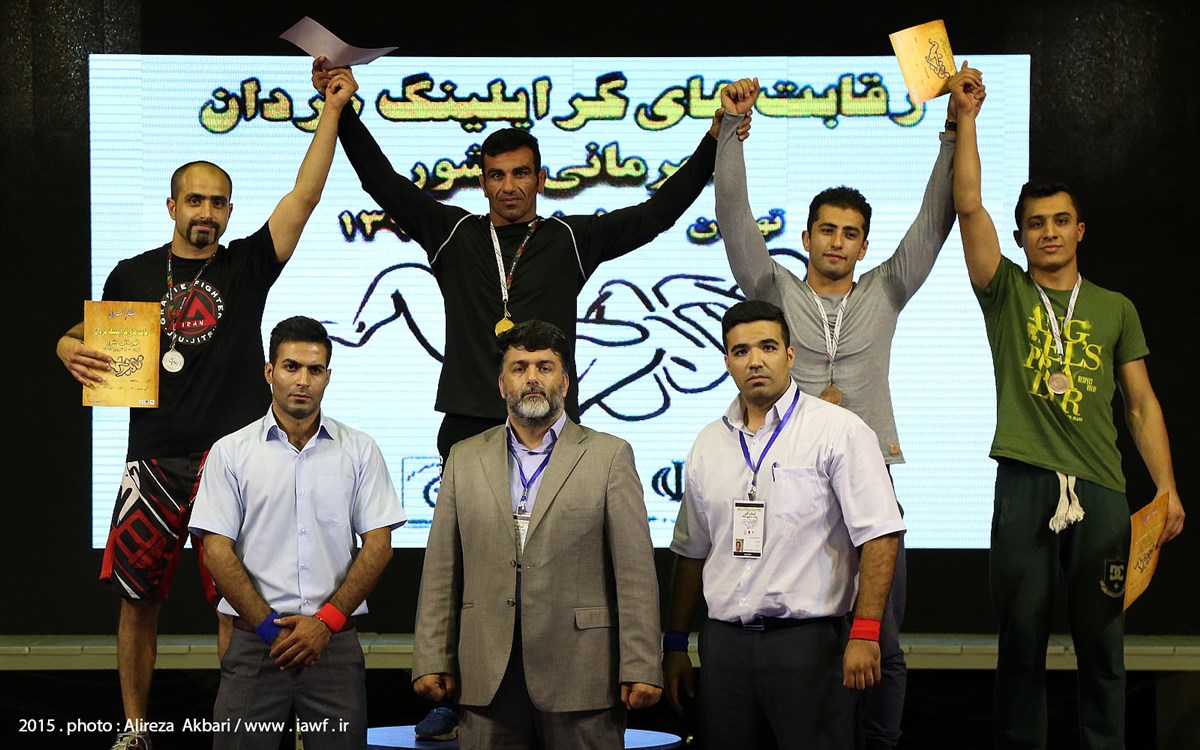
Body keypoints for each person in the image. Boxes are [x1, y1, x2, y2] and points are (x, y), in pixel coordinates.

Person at [54, 71, 359, 750]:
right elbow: (91, 340)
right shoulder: (132, 273)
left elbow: (304, 196)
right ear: (172, 205)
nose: (208, 212)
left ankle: (242, 725)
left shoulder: (246, 265)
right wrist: (65, 344)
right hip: (154, 460)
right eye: (195, 199)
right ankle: (135, 730)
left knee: (237, 603)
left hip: (234, 461)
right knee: (138, 600)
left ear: (228, 210)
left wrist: (332, 112)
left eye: (219, 202)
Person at [710, 68, 983, 748]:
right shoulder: (771, 286)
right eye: (826, 230)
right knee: (807, 633)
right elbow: (733, 221)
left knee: (881, 637)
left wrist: (954, 130)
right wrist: (732, 130)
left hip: (868, 476)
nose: (837, 241)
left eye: (850, 233)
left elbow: (936, 219)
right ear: (805, 238)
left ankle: (879, 745)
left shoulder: (887, 288)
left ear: (864, 244)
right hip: (787, 474)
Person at [310, 58, 751, 461]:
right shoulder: (453, 233)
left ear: (540, 179)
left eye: (520, 173)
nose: (509, 187)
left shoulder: (570, 238)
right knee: (471, 528)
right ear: (482, 183)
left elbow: (656, 214)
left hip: (551, 419)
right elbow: (381, 182)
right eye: (497, 175)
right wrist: (340, 110)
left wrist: (714, 139)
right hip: (470, 422)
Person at [951, 74, 1184, 749]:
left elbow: (1141, 404)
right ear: (1020, 236)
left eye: (1059, 221)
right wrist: (966, 118)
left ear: (1079, 230)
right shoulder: (1005, 291)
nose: (1048, 232)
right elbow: (968, 206)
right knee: (1020, 643)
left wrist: (1166, 487)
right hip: (1024, 482)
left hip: (1103, 489)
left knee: (1104, 646)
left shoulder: (1115, 307)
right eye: (1035, 223)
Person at [662, 299, 905, 750]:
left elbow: (880, 535)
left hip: (807, 645)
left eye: (767, 347)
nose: (755, 360)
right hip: (725, 648)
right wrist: (675, 643)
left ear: (789, 355)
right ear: (727, 362)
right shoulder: (708, 442)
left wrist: (866, 631)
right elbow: (692, 552)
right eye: (741, 351)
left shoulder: (838, 430)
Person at [412, 319, 662, 749]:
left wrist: (641, 664)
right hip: (485, 675)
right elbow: (440, 570)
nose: (532, 378)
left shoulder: (609, 456)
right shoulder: (463, 458)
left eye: (545, 367)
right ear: (501, 384)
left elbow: (635, 573)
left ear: (564, 382)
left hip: (583, 676)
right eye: (519, 368)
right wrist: (431, 657)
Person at [189, 316, 406, 750]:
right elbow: (215, 551)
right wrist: (269, 629)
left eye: (314, 369)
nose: (303, 380)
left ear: (328, 376)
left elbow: (379, 546)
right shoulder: (231, 452)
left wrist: (325, 623)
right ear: (269, 372)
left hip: (333, 645)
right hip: (255, 645)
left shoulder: (360, 449)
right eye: (291, 367)